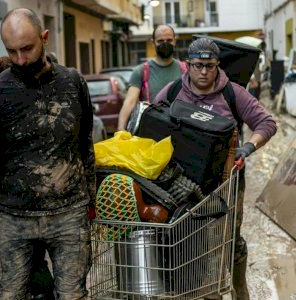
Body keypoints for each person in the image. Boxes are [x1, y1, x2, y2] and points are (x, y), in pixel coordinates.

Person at [0, 8, 95, 299]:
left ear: (44, 37)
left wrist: (90, 196)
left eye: (27, 48)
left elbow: (84, 145)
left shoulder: (73, 83)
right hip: (15, 216)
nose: (21, 59)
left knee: (72, 294)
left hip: (69, 212)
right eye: (12, 52)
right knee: (10, 294)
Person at [155, 37, 277, 299]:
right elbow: (153, 121)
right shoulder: (173, 91)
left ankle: (239, 287)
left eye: (209, 66)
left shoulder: (232, 93)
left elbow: (266, 123)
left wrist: (248, 148)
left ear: (217, 65)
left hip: (226, 183)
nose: (203, 72)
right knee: (189, 241)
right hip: (183, 185)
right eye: (198, 65)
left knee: (228, 239)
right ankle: (201, 290)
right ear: (187, 65)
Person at [117, 24, 186, 131]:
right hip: (152, 130)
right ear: (153, 42)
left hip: (181, 130)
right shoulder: (141, 71)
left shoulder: (186, 70)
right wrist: (120, 130)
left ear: (175, 41)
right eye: (160, 41)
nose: (165, 44)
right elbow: (130, 101)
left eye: (169, 40)